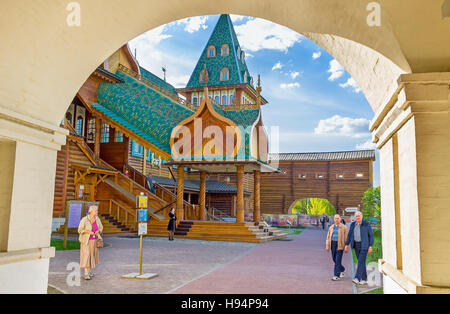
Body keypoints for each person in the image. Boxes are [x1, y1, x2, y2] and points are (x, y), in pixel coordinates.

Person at [344, 211, 374, 285]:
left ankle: (357, 278)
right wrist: (347, 244)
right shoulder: (353, 224)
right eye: (356, 216)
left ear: (362, 216)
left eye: (359, 216)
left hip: (364, 245)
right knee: (362, 262)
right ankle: (364, 279)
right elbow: (349, 234)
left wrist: (370, 246)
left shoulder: (366, 224)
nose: (357, 217)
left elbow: (371, 235)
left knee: (360, 261)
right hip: (356, 245)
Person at [78, 205, 103, 280]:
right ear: (91, 211)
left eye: (97, 210)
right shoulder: (84, 219)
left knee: (92, 256)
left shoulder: (97, 219)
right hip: (86, 241)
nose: (97, 212)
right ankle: (86, 273)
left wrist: (98, 231)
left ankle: (89, 272)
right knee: (87, 256)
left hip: (94, 241)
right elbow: (79, 230)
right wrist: (88, 232)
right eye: (96, 211)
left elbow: (101, 227)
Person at [326, 214, 348, 281]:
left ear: (340, 219)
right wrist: (327, 245)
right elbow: (328, 237)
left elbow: (346, 238)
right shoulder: (331, 227)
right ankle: (342, 269)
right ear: (334, 219)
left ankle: (336, 275)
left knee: (338, 260)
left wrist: (346, 246)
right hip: (333, 244)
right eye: (335, 218)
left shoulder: (344, 227)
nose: (336, 219)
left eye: (338, 218)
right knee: (334, 259)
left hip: (340, 244)